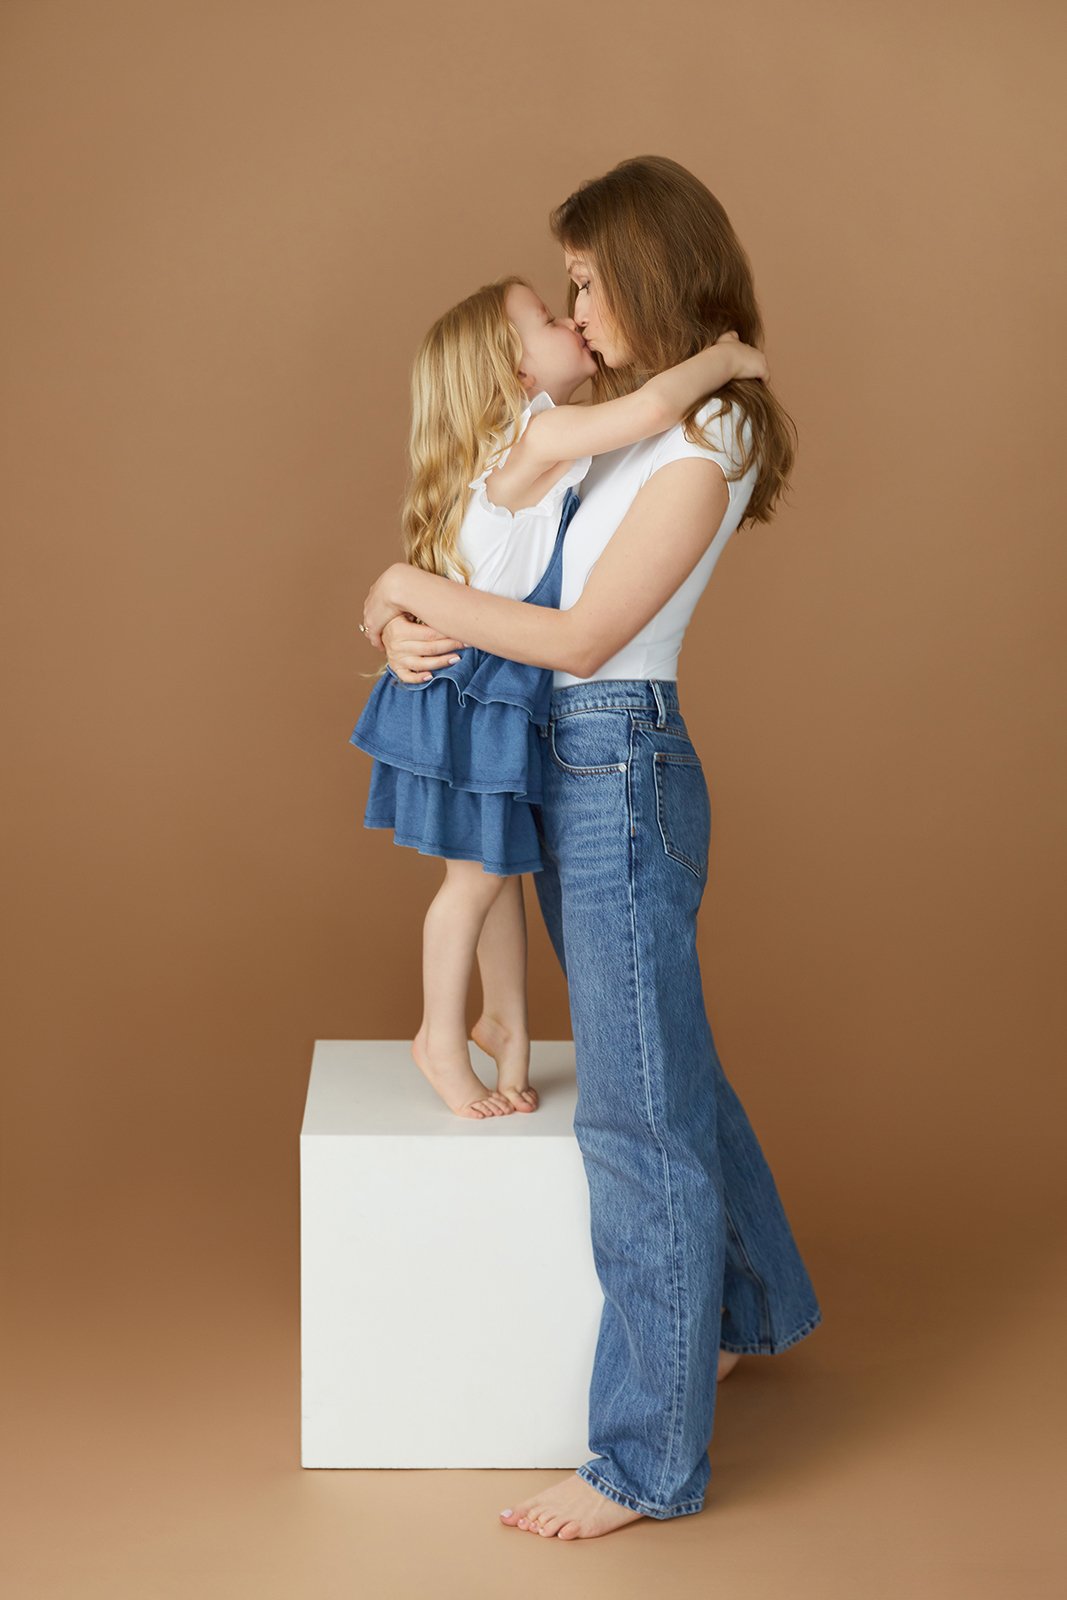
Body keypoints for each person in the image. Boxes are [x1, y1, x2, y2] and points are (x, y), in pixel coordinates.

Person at [360, 156, 823, 1541]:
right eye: (559, 289)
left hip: (616, 758)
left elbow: (572, 637)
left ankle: (642, 1458)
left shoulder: (709, 440)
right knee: (665, 1069)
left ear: (644, 268)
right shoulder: (623, 424)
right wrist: (394, 615)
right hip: (569, 757)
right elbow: (493, 541)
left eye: (582, 281)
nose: (571, 306)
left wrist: (406, 587)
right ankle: (745, 1309)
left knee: (635, 1118)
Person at [352, 274, 766, 1121]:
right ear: (516, 374)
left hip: (482, 690)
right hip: (476, 695)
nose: (567, 317)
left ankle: (504, 1018)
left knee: (499, 866)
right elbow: (652, 412)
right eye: (545, 317)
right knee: (471, 884)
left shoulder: (529, 444)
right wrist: (726, 356)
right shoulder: (541, 437)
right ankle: (437, 1035)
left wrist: (389, 599)